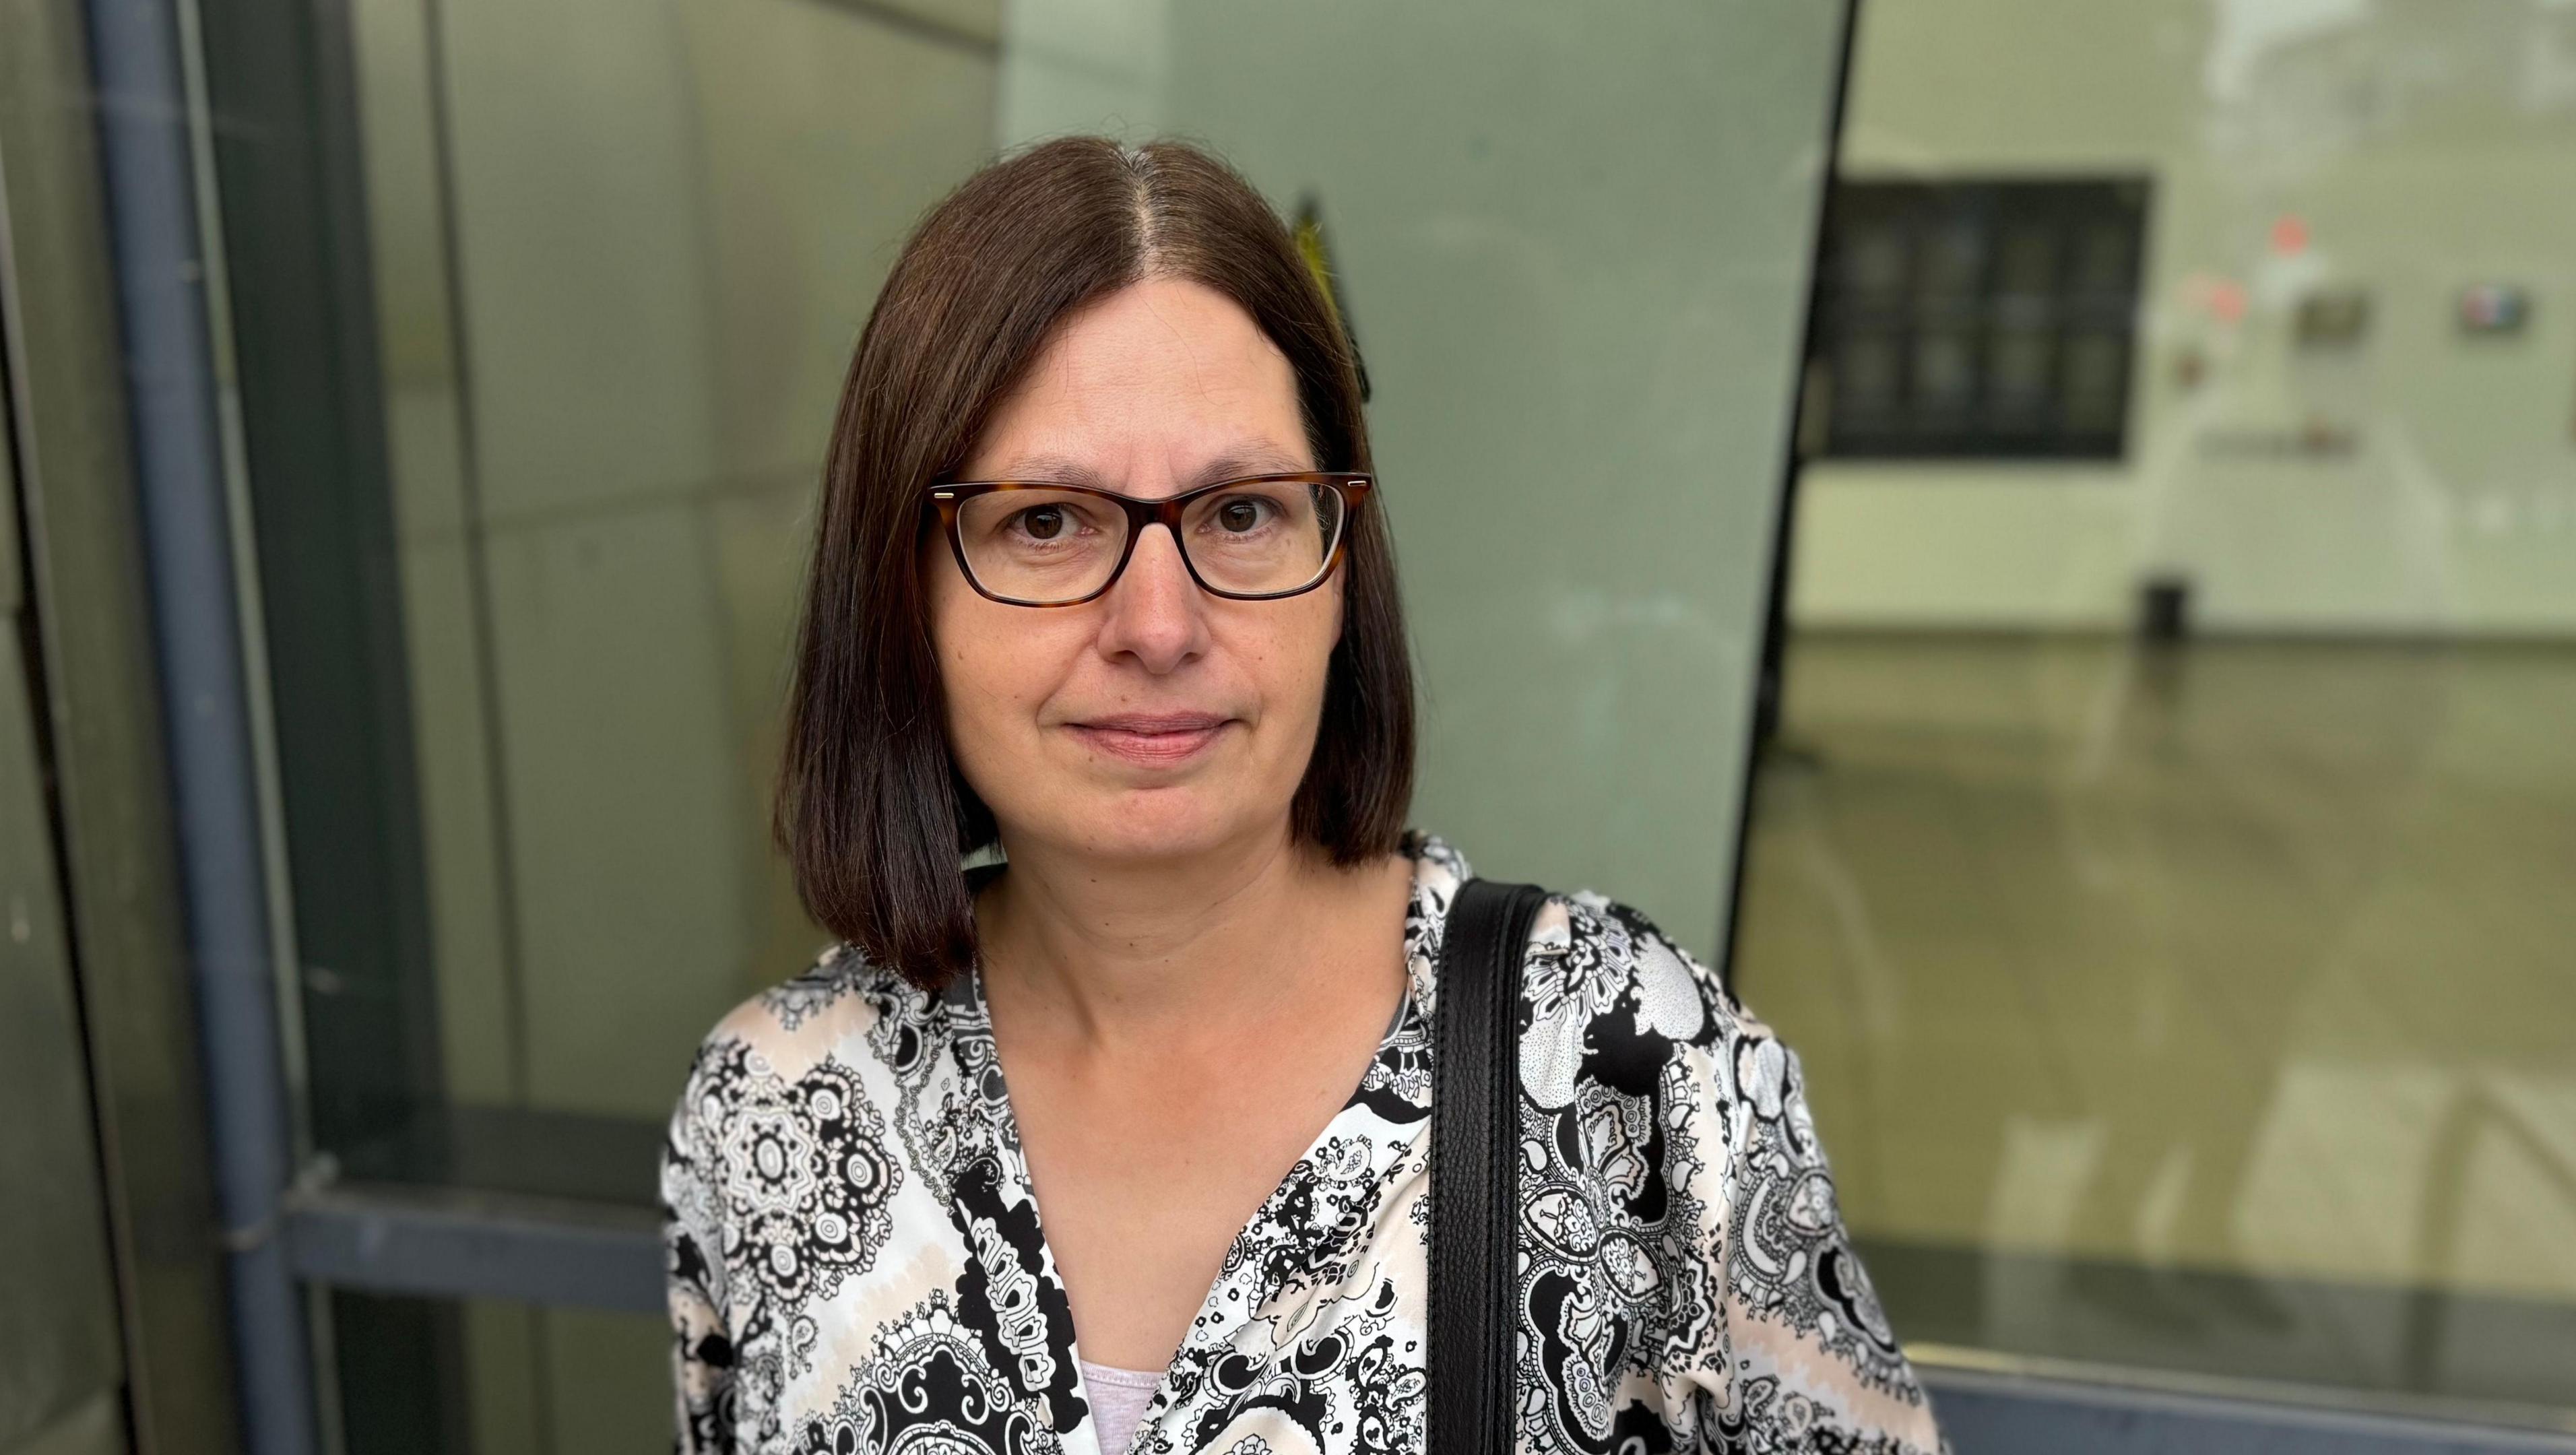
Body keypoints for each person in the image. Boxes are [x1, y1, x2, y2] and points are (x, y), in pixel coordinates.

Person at [660, 135, 1944, 1455]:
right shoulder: (772, 1114)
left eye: (1242, 515)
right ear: (903, 593)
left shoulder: (1624, 1068)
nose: (1158, 625)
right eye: (1046, 521)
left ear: (1341, 572)